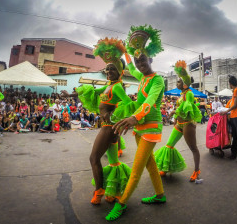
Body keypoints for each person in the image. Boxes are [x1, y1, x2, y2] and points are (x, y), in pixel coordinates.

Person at [61, 37, 132, 205]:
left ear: (120, 71)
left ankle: (99, 191)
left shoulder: (117, 87)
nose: (108, 73)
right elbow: (92, 91)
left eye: (112, 70)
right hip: (109, 128)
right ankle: (113, 191)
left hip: (108, 128)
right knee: (113, 161)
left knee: (94, 158)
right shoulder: (109, 84)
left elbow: (127, 103)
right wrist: (70, 95)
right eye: (107, 70)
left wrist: (114, 116)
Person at [107, 25, 166, 221]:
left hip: (150, 127)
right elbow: (131, 67)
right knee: (150, 165)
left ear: (151, 60)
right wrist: (126, 53)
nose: (140, 64)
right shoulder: (141, 77)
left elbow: (150, 101)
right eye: (139, 60)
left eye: (144, 60)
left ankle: (121, 203)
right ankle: (160, 196)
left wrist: (135, 117)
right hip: (140, 128)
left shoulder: (157, 80)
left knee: (136, 170)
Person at [155, 60, 201, 180]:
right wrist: (175, 118)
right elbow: (179, 107)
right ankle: (166, 168)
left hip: (187, 125)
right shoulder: (182, 94)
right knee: (169, 145)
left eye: (179, 81)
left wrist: (175, 112)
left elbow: (188, 109)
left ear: (185, 84)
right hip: (179, 124)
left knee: (193, 148)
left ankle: (197, 171)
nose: (177, 83)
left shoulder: (189, 94)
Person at [220, 76, 237, 162]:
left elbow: (234, 106)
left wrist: (225, 111)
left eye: (229, 83)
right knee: (235, 137)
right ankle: (233, 154)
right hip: (233, 116)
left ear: (230, 83)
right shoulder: (234, 91)